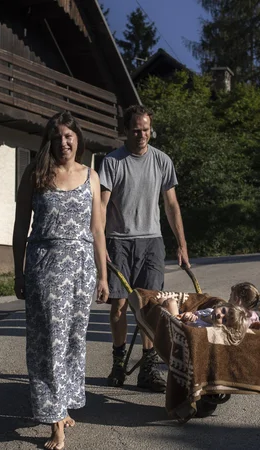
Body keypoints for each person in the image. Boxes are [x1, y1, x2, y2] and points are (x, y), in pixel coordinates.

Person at [12, 111, 109, 450]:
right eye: (57, 137)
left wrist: (103, 276)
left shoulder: (91, 176)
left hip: (82, 269)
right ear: (49, 141)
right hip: (45, 267)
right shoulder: (35, 173)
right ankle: (55, 424)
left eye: (69, 136)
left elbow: (97, 229)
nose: (64, 142)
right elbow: (20, 226)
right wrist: (18, 271)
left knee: (72, 341)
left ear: (78, 138)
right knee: (48, 343)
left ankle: (62, 405)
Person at [99, 104, 190, 392]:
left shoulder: (162, 161)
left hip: (152, 242)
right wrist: (99, 244)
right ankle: (117, 362)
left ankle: (148, 369)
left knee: (150, 307)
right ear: (125, 130)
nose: (142, 135)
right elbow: (101, 206)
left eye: (146, 130)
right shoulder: (112, 162)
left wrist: (182, 244)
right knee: (119, 305)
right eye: (136, 130)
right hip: (118, 240)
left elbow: (172, 205)